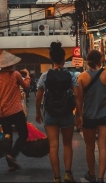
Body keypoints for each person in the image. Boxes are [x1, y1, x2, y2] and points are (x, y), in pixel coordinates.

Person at [36, 42, 79, 183]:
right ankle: (68, 173)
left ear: (52, 59)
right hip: (66, 113)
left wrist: (37, 112)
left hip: (50, 114)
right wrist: (79, 113)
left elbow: (38, 96)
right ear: (63, 59)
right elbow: (77, 95)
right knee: (67, 144)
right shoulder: (70, 76)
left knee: (53, 145)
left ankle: (56, 177)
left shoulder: (45, 76)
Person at [76, 49, 106, 183]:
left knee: (90, 147)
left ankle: (91, 174)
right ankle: (101, 177)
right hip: (104, 115)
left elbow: (79, 99)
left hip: (88, 116)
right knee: (103, 146)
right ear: (100, 60)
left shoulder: (82, 77)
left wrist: (79, 115)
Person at [0, 51, 31, 172]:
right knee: (23, 134)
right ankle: (12, 155)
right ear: (11, 65)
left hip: (3, 113)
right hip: (16, 111)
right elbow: (26, 86)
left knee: (8, 137)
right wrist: (28, 75)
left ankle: (11, 165)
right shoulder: (16, 74)